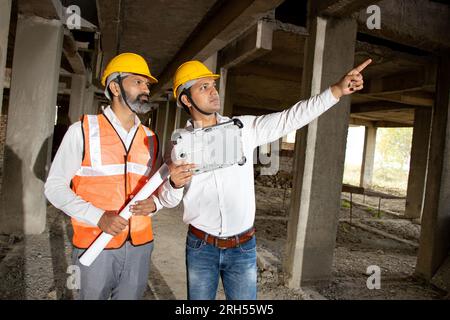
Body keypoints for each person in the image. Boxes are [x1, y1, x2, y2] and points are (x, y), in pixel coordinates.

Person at [158, 58, 372, 300]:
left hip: (242, 248)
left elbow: (290, 117)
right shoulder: (180, 146)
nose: (213, 92)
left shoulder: (243, 129)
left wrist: (336, 90)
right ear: (186, 99)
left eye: (212, 85)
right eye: (203, 87)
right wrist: (174, 184)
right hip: (201, 247)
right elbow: (168, 201)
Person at [45, 53, 166, 300]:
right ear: (115, 87)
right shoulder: (83, 131)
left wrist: (156, 204)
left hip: (140, 247)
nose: (146, 89)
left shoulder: (151, 138)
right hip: (94, 245)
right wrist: (98, 217)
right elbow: (54, 188)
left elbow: (158, 191)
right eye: (138, 82)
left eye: (147, 84)